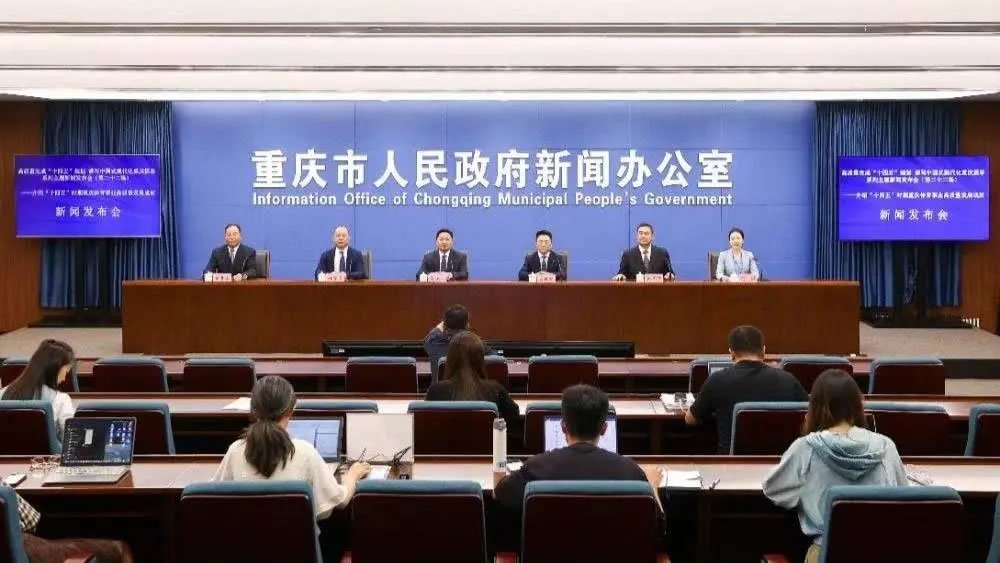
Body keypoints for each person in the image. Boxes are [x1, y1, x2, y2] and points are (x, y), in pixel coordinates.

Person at [213, 375, 370, 563]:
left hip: (248, 552)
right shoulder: (305, 452)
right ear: (290, 411)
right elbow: (341, 501)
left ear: (253, 410)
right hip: (297, 553)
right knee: (338, 528)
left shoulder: (235, 451)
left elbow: (216, 496)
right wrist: (352, 475)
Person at [762, 369, 908, 563]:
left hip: (825, 553)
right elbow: (902, 498)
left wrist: (806, 494)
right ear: (858, 406)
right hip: (878, 553)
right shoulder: (886, 446)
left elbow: (773, 489)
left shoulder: (806, 447)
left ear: (814, 408)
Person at [494, 384, 663, 518]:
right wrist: (652, 486)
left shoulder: (536, 468)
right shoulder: (630, 471)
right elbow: (656, 526)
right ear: (604, 429)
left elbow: (500, 494)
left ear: (563, 426)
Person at [685, 326, 808, 453]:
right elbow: (811, 417)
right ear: (763, 350)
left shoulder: (717, 380)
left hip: (730, 462)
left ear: (731, 353)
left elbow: (690, 419)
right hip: (781, 461)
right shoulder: (788, 380)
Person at [6, 484, 134, 562]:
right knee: (118, 546)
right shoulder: (4, 493)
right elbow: (33, 521)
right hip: (29, 550)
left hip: (19, 547)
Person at [425, 331, 519, 427]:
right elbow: (514, 415)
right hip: (485, 437)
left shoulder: (435, 391)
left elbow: (427, 422)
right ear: (480, 359)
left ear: (450, 359)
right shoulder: (495, 389)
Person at [0, 339, 76, 439]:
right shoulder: (61, 400)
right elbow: (71, 440)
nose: (64, 378)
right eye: (66, 371)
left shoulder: (2, 394)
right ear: (55, 369)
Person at [423, 304, 496, 382]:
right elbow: (496, 360)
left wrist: (444, 324)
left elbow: (431, 335)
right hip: (470, 389)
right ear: (467, 325)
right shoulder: (476, 344)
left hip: (440, 389)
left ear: (445, 324)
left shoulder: (432, 342)